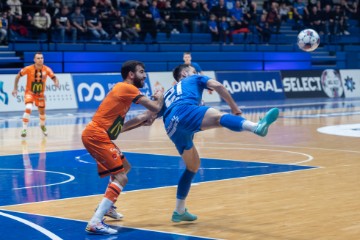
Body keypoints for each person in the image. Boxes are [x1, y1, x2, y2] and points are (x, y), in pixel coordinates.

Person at [123, 64, 279, 223]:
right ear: (185, 73)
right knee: (219, 117)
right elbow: (218, 85)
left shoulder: (168, 93)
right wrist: (235, 108)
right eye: (194, 71)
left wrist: (118, 130)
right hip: (184, 111)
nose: (196, 73)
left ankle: (179, 210)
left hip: (171, 127)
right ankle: (256, 127)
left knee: (193, 166)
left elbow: (144, 117)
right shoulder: (194, 78)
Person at [82, 60, 163, 235]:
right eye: (142, 71)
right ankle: (95, 222)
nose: (145, 75)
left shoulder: (124, 93)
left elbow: (120, 129)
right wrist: (160, 95)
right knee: (121, 177)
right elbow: (156, 107)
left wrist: (142, 122)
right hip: (96, 135)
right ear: (131, 75)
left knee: (124, 168)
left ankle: (108, 207)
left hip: (100, 135)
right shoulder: (128, 88)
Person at [12, 52, 59, 138]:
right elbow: (17, 76)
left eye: (41, 58)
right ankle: (24, 129)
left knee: (42, 113)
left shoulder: (47, 69)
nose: (40, 60)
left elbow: (54, 77)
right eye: (38, 58)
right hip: (29, 92)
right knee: (28, 107)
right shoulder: (28, 69)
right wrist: (15, 88)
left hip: (40, 95)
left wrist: (56, 82)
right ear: (34, 60)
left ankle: (42, 126)